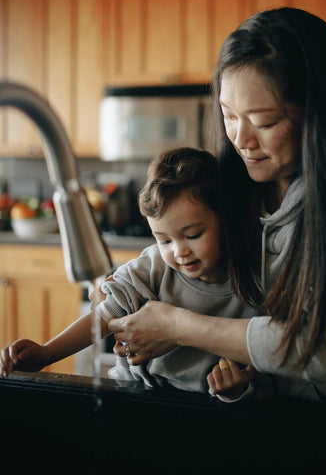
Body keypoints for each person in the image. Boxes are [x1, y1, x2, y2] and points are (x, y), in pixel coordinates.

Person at [108, 7, 326, 407]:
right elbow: (175, 255)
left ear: (319, 117)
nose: (241, 139)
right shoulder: (238, 182)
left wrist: (179, 327)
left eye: (263, 122)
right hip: (264, 414)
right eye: (229, 115)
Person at [0, 147, 259, 402]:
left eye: (193, 235)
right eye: (164, 240)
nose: (179, 252)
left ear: (226, 219)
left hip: (204, 411)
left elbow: (261, 371)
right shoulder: (154, 266)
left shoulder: (254, 283)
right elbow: (103, 315)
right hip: (135, 395)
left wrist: (236, 392)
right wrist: (47, 353)